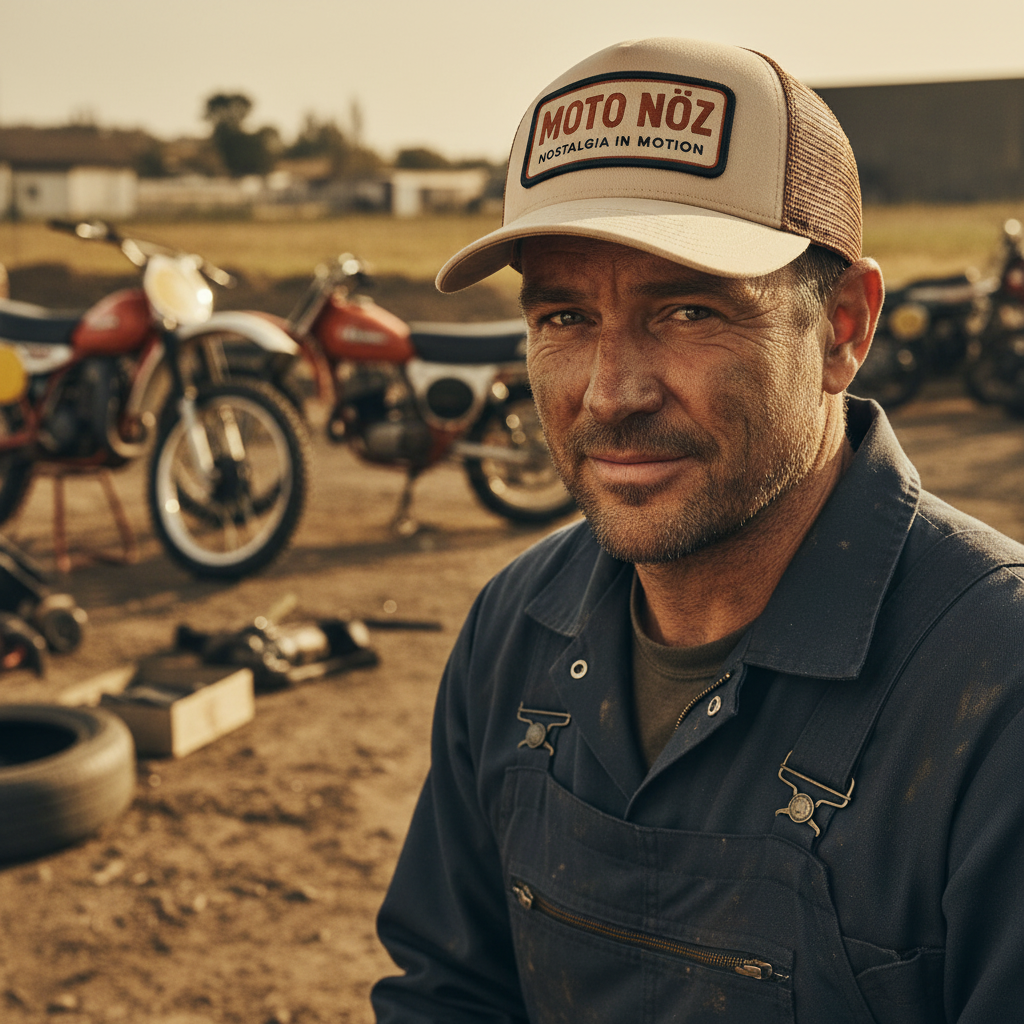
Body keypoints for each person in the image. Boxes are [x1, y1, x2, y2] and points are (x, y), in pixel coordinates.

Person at [371, 37, 1024, 1024]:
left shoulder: (991, 688)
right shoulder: (517, 631)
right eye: (562, 317)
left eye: (685, 309)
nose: (609, 392)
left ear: (843, 326)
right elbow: (448, 989)